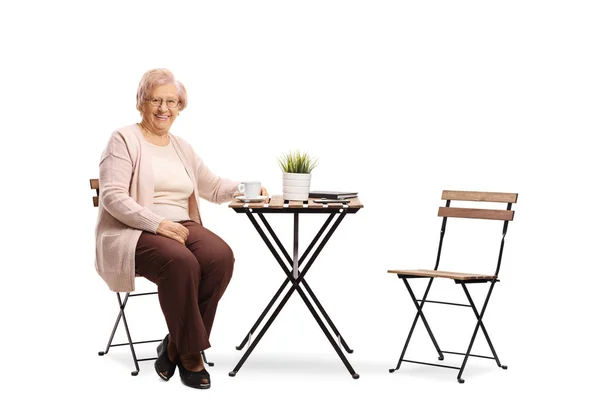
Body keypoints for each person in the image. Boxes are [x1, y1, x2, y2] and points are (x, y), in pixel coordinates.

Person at [94, 68, 268, 389]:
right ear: (140, 103)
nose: (163, 109)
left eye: (171, 101)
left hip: (179, 226)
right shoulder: (123, 140)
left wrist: (246, 189)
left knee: (220, 257)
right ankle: (191, 355)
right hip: (133, 231)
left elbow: (212, 186)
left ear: (180, 106)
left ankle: (174, 345)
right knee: (182, 261)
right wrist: (157, 223)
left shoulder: (181, 147)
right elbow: (113, 198)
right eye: (155, 100)